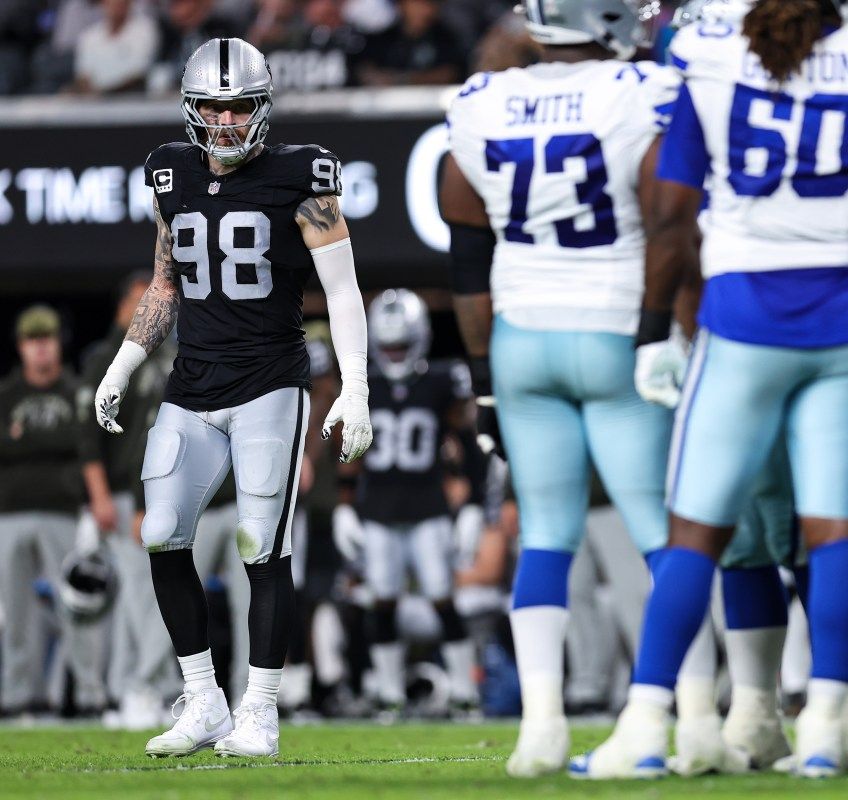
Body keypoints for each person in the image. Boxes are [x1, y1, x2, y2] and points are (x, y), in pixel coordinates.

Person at [574, 0, 848, 779]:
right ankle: (828, 728)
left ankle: (645, 724)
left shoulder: (707, 52)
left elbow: (672, 214)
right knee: (837, 533)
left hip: (743, 316)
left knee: (695, 534)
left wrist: (651, 328)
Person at [91, 37, 373, 758]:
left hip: (269, 380)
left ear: (262, 107)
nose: (224, 121)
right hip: (192, 381)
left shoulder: (302, 175)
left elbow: (343, 291)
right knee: (160, 532)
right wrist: (123, 364)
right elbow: (165, 283)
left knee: (260, 544)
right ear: (191, 109)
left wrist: (356, 385)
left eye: (238, 106)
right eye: (212, 107)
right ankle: (205, 700)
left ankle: (263, 711)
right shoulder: (169, 171)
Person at [439, 0, 680, 776]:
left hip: (522, 336)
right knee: (664, 536)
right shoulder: (644, 89)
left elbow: (467, 260)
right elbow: (672, 215)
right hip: (613, 323)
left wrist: (483, 380)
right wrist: (661, 331)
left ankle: (540, 728)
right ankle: (685, 712)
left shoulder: (484, 99)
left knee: (544, 534)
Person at [332, 289, 479, 711]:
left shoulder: (442, 380)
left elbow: (468, 444)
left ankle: (465, 691)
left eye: (401, 345)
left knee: (441, 594)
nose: (394, 354)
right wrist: (345, 504)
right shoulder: (364, 385)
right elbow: (347, 450)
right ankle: (389, 693)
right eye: (388, 346)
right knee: (382, 597)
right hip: (379, 508)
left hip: (428, 506)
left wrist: (470, 504)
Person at [78, 272, 175, 729]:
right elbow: (88, 438)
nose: (152, 312)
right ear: (122, 309)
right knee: (141, 598)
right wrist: (99, 496)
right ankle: (141, 688)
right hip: (123, 492)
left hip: (162, 489)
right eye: (141, 303)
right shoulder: (105, 358)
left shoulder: (170, 354)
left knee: (145, 598)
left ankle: (137, 689)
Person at [0, 306, 106, 715]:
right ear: (21, 347)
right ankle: (17, 695)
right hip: (10, 513)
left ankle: (89, 694)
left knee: (76, 607)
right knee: (15, 610)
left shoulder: (76, 391)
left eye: (46, 339)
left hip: (64, 513)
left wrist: (23, 440)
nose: (40, 348)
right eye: (33, 340)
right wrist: (48, 443)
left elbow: (85, 446)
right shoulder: (7, 394)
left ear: (57, 344)